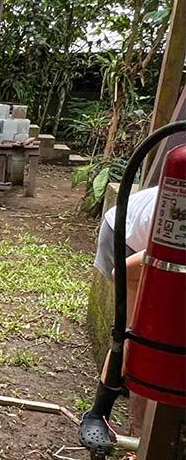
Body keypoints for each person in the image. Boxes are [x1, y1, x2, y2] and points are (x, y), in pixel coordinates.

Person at [81, 185, 159, 441]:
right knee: (136, 334)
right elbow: (123, 272)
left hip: (152, 237)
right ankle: (98, 414)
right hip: (124, 239)